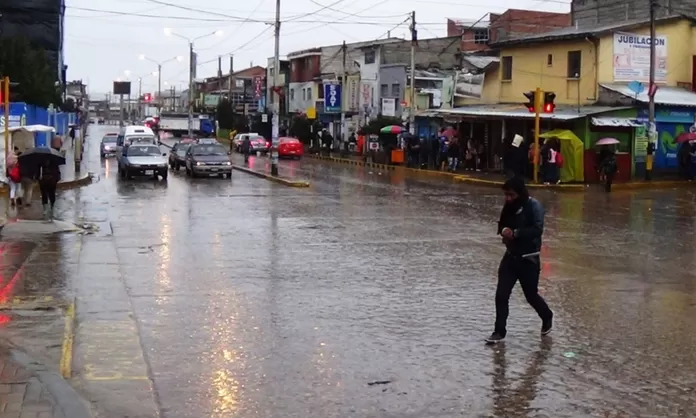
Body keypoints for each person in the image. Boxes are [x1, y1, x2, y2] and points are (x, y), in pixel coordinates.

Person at [487, 176, 554, 344]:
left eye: (511, 195)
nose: (508, 198)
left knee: (531, 295)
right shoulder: (508, 207)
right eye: (506, 195)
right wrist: (504, 231)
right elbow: (501, 225)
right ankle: (499, 331)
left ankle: (547, 315)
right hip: (510, 258)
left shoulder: (534, 207)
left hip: (528, 260)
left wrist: (516, 233)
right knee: (501, 295)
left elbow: (537, 230)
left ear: (520, 193)